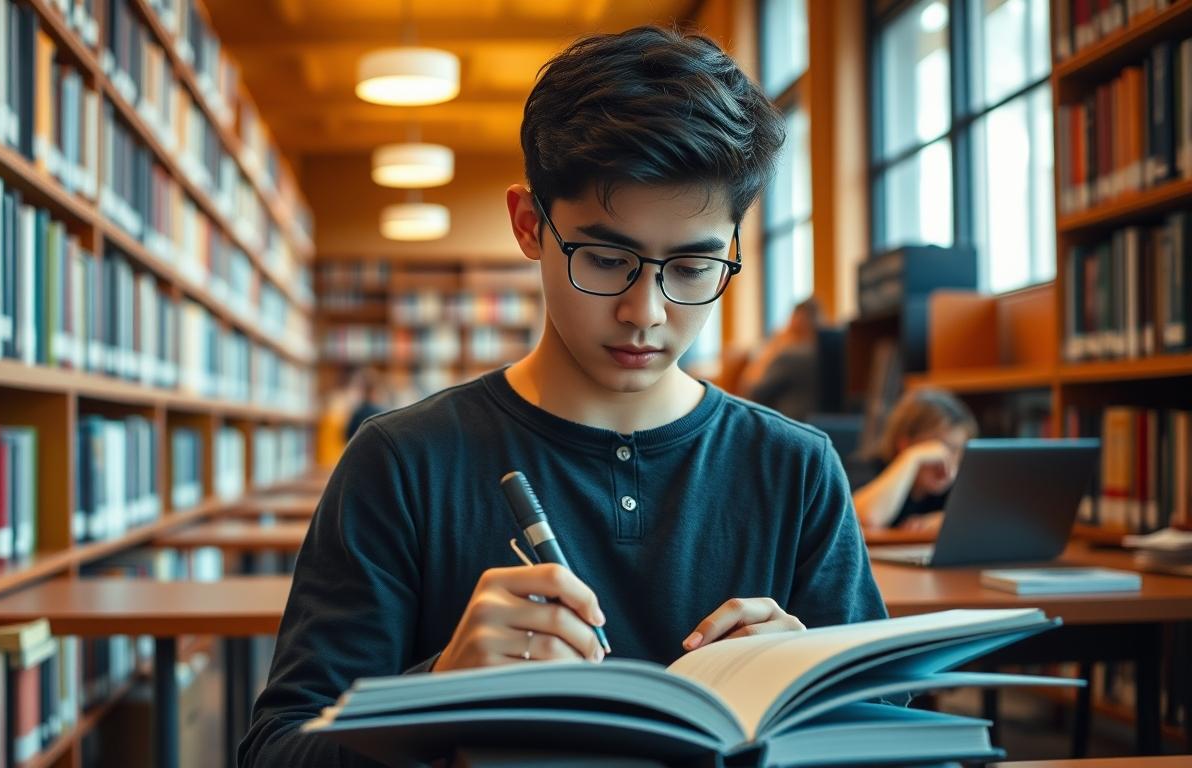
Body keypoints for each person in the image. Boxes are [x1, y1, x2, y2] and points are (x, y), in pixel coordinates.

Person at [240, 26, 887, 767]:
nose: (646, 311)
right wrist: (437, 693)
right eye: (608, 258)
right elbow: (275, 751)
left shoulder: (797, 470)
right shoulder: (400, 462)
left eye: (691, 267)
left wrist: (812, 694)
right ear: (529, 225)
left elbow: (889, 737)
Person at [846, 388, 979, 531]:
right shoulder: (866, 468)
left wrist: (943, 520)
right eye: (937, 449)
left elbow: (986, 518)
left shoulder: (955, 483)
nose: (947, 461)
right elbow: (867, 518)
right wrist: (912, 457)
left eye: (957, 451)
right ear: (904, 443)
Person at [737, 298, 821, 420]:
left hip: (786, 424)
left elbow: (751, 391)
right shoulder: (826, 352)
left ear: (795, 321)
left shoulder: (789, 356)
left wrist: (773, 349)